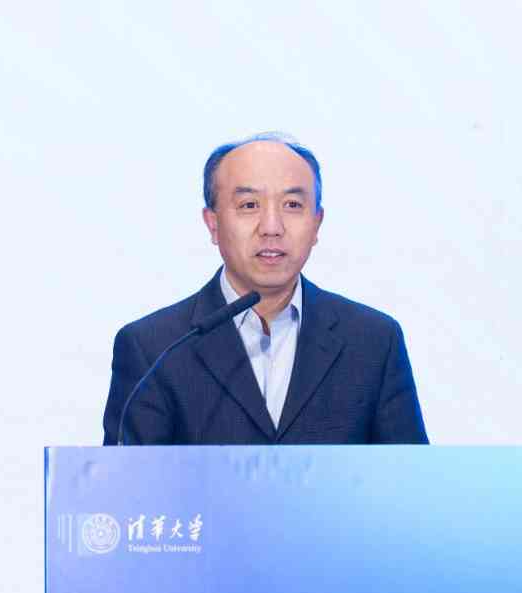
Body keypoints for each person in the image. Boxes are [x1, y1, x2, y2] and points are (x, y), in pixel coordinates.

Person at [102, 132, 428, 445]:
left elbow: (409, 477)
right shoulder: (154, 348)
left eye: (292, 205)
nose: (272, 228)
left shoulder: (374, 342)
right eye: (249, 205)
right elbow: (128, 481)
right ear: (213, 224)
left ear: (317, 224)